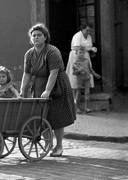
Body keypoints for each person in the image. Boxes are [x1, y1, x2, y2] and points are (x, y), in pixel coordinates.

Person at [20, 23, 76, 157]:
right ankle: (48, 143)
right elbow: (26, 74)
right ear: (30, 38)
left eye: (39, 35)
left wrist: (47, 91)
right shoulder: (29, 54)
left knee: (56, 116)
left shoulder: (52, 51)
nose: (36, 38)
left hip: (56, 86)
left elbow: (54, 73)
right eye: (33, 36)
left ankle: (59, 146)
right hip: (39, 84)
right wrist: (23, 90)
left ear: (45, 37)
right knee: (41, 116)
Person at [66, 22, 98, 112]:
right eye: (87, 30)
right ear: (82, 29)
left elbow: (89, 47)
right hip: (76, 56)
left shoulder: (89, 37)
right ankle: (75, 106)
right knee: (75, 79)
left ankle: (84, 106)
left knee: (86, 76)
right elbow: (77, 48)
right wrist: (89, 49)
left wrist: (92, 50)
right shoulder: (77, 36)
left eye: (90, 30)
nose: (88, 32)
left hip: (85, 57)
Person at [72, 46, 101, 113]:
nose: (81, 54)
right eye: (80, 52)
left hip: (87, 79)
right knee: (78, 93)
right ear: (77, 53)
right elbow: (74, 73)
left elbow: (90, 70)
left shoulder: (86, 61)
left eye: (83, 53)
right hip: (79, 79)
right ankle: (76, 108)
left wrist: (95, 74)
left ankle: (86, 108)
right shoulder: (76, 63)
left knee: (87, 93)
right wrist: (79, 71)